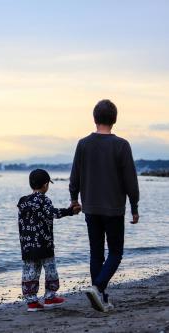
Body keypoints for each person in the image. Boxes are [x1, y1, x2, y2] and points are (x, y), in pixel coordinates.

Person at [69, 99, 140, 312]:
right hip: (114, 209)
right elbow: (131, 181)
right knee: (116, 252)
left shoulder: (83, 144)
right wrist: (134, 207)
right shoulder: (121, 145)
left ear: (94, 118)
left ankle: (100, 296)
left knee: (96, 253)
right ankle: (98, 288)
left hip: (91, 208)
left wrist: (74, 199)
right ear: (114, 119)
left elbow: (75, 175)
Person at [18, 169, 81, 312]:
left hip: (27, 245)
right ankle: (50, 297)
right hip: (44, 244)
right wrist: (70, 211)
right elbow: (53, 213)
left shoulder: (23, 202)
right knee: (50, 270)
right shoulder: (44, 199)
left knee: (30, 272)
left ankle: (32, 302)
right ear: (46, 185)